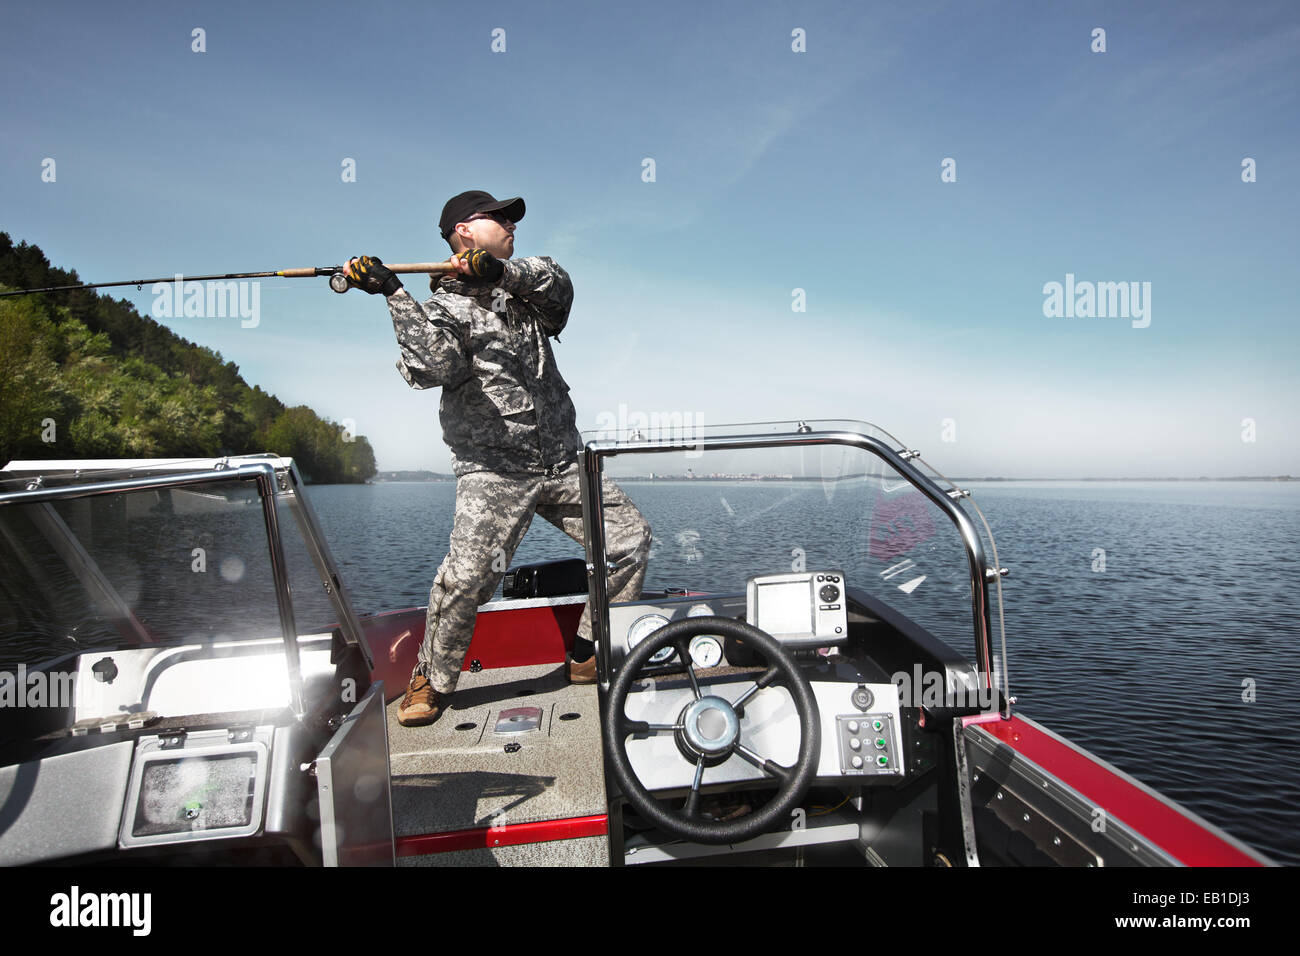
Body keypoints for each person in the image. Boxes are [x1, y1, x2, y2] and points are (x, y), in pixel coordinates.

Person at [344, 190, 652, 727]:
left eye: (512, 219)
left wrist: (500, 274)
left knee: (629, 541)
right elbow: (434, 364)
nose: (512, 225)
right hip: (494, 470)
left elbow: (559, 284)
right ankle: (432, 680)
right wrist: (393, 292)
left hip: (560, 460)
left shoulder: (523, 294)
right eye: (499, 218)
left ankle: (587, 652)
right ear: (463, 230)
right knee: (466, 579)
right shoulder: (443, 309)